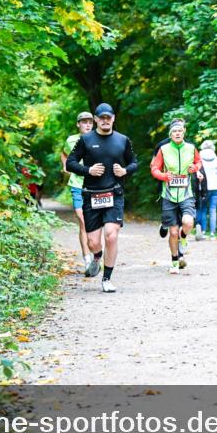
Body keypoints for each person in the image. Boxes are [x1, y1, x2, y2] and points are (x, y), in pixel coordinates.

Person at [65, 103, 138, 293]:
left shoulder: (123, 140)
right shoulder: (86, 140)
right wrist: (87, 170)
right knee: (93, 242)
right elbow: (70, 163)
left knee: (111, 236)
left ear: (113, 119)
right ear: (96, 119)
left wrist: (124, 171)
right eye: (101, 117)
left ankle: (107, 279)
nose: (105, 120)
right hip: (91, 194)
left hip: (114, 193)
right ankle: (97, 256)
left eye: (109, 117)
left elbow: (134, 163)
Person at [150, 120, 201, 274]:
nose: (177, 133)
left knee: (188, 222)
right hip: (169, 195)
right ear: (170, 134)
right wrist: (164, 176)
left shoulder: (191, 148)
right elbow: (154, 168)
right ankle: (174, 262)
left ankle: (183, 237)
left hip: (186, 194)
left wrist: (195, 167)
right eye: (174, 131)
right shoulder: (163, 149)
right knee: (172, 232)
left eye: (180, 131)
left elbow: (198, 162)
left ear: (184, 132)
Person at [61, 111, 95, 266]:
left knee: (94, 223)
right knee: (83, 221)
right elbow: (63, 154)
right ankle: (87, 258)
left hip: (95, 186)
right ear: (78, 124)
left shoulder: (98, 139)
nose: (87, 125)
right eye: (84, 122)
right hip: (77, 185)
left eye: (90, 122)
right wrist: (65, 165)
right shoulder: (71, 140)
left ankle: (96, 254)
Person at [197, 140, 217, 239]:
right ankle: (212, 233)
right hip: (216, 187)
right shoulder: (216, 159)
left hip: (204, 188)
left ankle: (203, 231)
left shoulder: (199, 158)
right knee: (213, 209)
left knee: (203, 208)